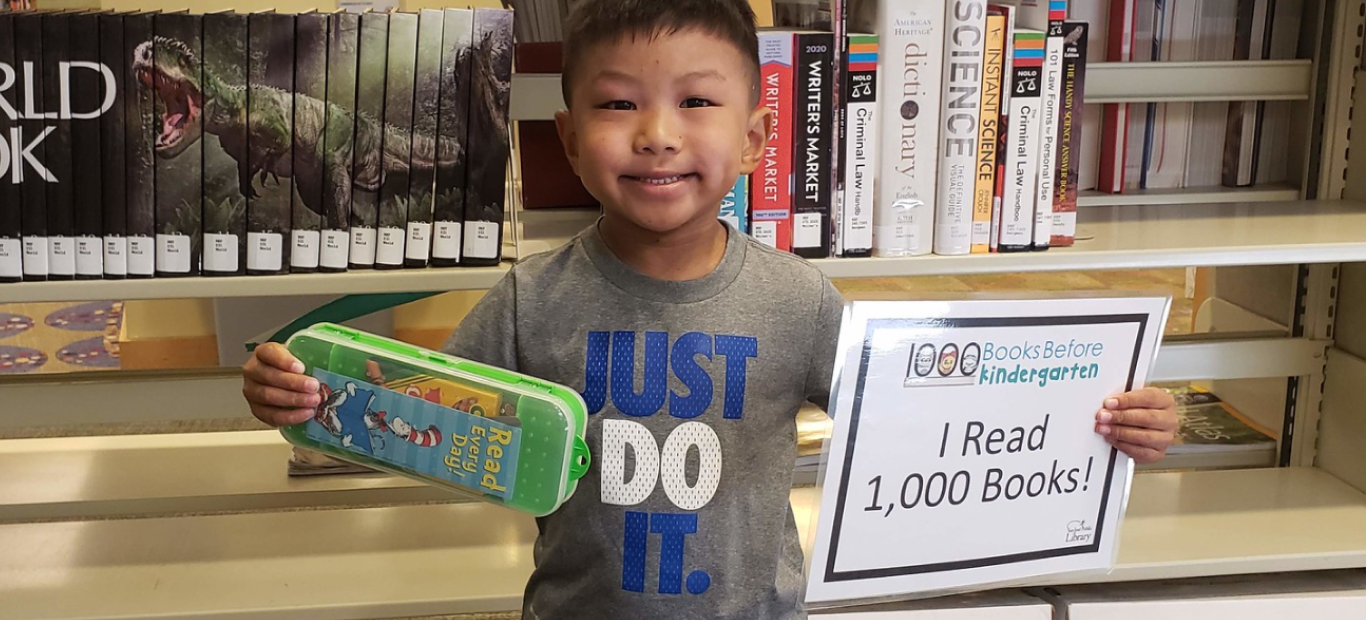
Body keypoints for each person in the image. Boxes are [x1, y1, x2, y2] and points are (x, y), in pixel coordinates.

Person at [241, 0, 1180, 617]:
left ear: (757, 137)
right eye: (617, 106)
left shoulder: (800, 299)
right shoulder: (533, 297)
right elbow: (414, 410)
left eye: (696, 100)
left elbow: (931, 428)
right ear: (568, 137)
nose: (656, 135)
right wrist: (301, 397)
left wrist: (1099, 424)